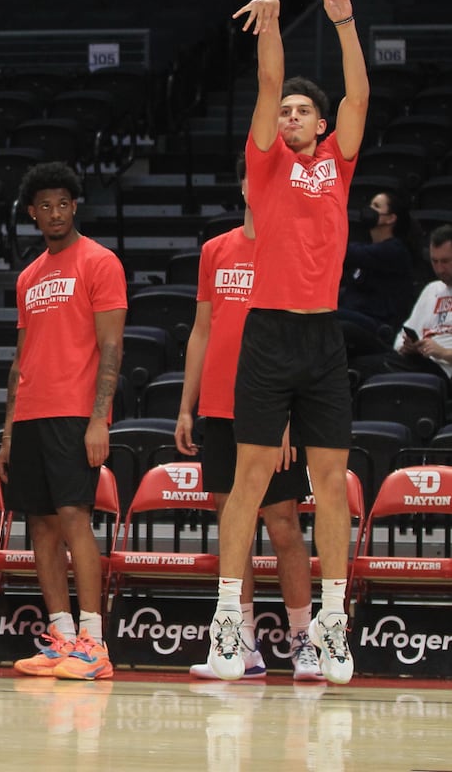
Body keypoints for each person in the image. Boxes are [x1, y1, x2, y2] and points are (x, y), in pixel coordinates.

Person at [208, 0, 368, 686]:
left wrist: (341, 22)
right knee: (246, 483)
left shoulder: (337, 162)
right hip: (268, 336)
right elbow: (267, 86)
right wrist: (272, 21)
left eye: (304, 111)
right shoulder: (266, 165)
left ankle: (331, 627)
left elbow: (359, 94)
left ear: (322, 123)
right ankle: (224, 627)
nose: (292, 117)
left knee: (329, 483)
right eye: (288, 112)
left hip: (321, 337)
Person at [174, 155, 320, 681]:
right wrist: (187, 406)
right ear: (243, 185)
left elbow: (299, 341)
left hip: (272, 409)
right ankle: (242, 644)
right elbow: (201, 331)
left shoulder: (293, 247)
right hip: (218, 409)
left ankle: (306, 642)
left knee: (282, 526)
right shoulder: (216, 250)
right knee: (231, 526)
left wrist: (286, 413)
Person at [0, 160, 125, 682]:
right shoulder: (29, 275)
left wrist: (100, 420)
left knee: (74, 520)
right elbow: (20, 360)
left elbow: (111, 346)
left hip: (75, 414)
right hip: (29, 416)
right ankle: (62, 638)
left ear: (75, 206)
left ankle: (94, 642)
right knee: (41, 527)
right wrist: (8, 433)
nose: (54, 212)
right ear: (32, 213)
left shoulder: (99, 262)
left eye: (63, 204)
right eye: (44, 205)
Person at [337, 188, 417, 357]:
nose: (369, 209)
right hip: (354, 316)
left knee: (323, 312)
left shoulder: (395, 251)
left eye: (376, 206)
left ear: (390, 218)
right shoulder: (368, 250)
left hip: (378, 325)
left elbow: (345, 251)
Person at [383, 223, 452, 377]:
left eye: (446, 261)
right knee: (352, 339)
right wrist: (408, 346)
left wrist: (443, 352)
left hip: (441, 369)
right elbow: (403, 335)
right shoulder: (431, 289)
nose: (440, 269)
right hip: (414, 361)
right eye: (435, 261)